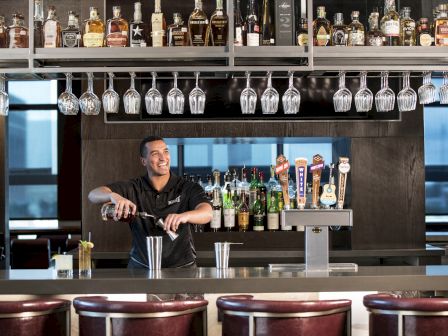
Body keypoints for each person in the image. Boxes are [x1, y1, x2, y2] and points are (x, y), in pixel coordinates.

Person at [88, 136, 212, 269]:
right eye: (155, 154)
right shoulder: (133, 187)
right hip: (141, 267)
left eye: (165, 151)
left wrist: (184, 216)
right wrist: (114, 196)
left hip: (183, 268)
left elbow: (207, 212)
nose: (163, 158)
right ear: (143, 161)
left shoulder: (187, 187)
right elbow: (93, 195)